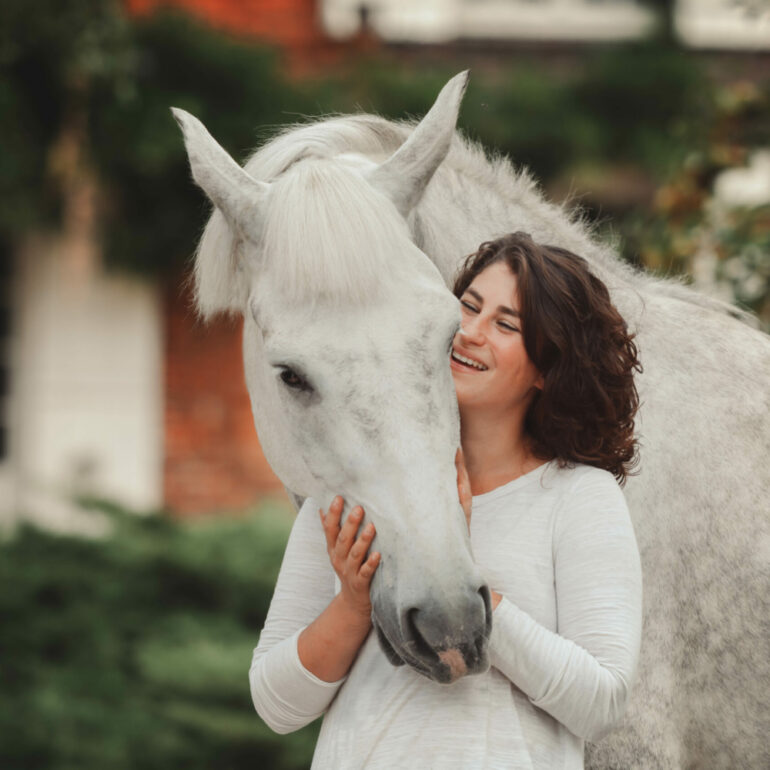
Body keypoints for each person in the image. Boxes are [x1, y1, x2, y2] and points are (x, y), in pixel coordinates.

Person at [249, 232, 643, 769]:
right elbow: (277, 707)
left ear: (548, 370)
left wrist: (457, 575)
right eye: (469, 307)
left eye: (505, 325)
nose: (471, 332)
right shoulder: (351, 484)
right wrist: (353, 602)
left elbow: (600, 704)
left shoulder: (578, 498)